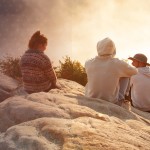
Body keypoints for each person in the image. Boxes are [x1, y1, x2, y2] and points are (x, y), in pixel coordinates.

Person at [85, 37, 137, 105]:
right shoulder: (117, 63)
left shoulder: (88, 63)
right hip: (111, 101)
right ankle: (121, 98)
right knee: (126, 76)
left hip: (91, 97)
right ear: (113, 49)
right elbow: (135, 71)